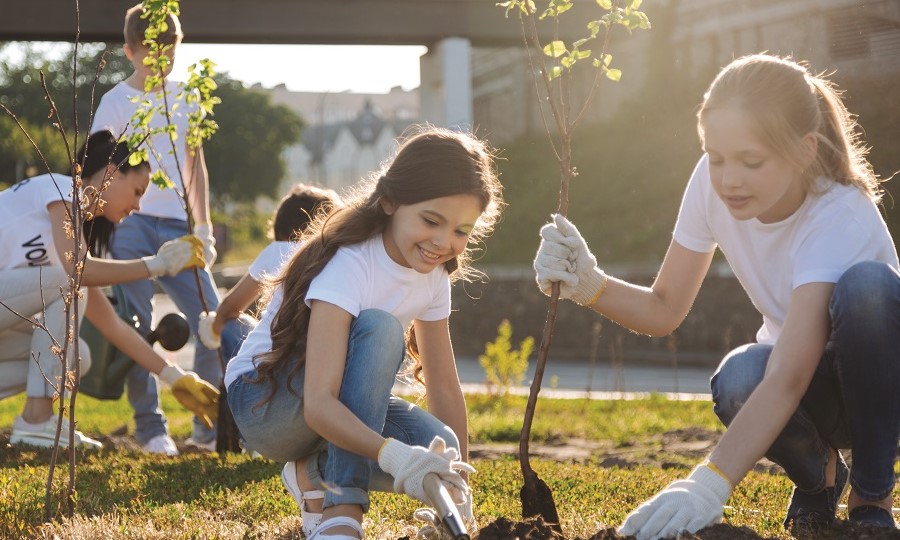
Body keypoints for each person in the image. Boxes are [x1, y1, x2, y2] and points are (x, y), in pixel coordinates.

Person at [534, 53, 899, 538]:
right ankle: (820, 482)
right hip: (809, 389)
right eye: (716, 157)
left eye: (751, 161)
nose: (728, 179)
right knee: (738, 378)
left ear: (805, 149)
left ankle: (872, 495)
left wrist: (710, 481)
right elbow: (664, 308)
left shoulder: (838, 215)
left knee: (867, 289)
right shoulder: (710, 185)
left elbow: (789, 376)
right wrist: (588, 284)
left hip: (881, 388)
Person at [225, 127, 503, 539]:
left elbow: (444, 388)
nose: (444, 242)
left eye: (461, 230)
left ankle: (310, 473)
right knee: (380, 327)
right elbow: (320, 404)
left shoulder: (433, 277)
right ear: (390, 202)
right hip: (266, 404)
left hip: (332, 403)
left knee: (438, 444)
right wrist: (394, 456)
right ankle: (343, 511)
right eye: (431, 220)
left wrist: (457, 490)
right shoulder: (351, 262)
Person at [0, 130, 219, 449]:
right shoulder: (60, 186)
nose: (138, 205)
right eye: (137, 191)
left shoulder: (69, 242)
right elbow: (80, 271)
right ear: (113, 172)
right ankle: (37, 422)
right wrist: (157, 265)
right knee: (70, 281)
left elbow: (113, 326)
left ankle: (35, 424)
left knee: (78, 355)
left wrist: (174, 376)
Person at [91, 3, 240, 455]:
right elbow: (99, 170)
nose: (163, 59)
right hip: (128, 224)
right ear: (130, 51)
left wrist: (204, 227)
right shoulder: (115, 103)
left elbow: (196, 165)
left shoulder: (186, 97)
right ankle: (152, 429)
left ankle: (210, 427)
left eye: (171, 49)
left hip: (178, 225)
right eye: (152, 51)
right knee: (137, 327)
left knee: (212, 319)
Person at [196, 183, 340, 351]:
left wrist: (212, 329)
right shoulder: (338, 254)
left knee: (228, 324)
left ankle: (227, 375)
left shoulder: (279, 250)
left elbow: (230, 307)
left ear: (282, 232)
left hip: (280, 356)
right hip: (326, 352)